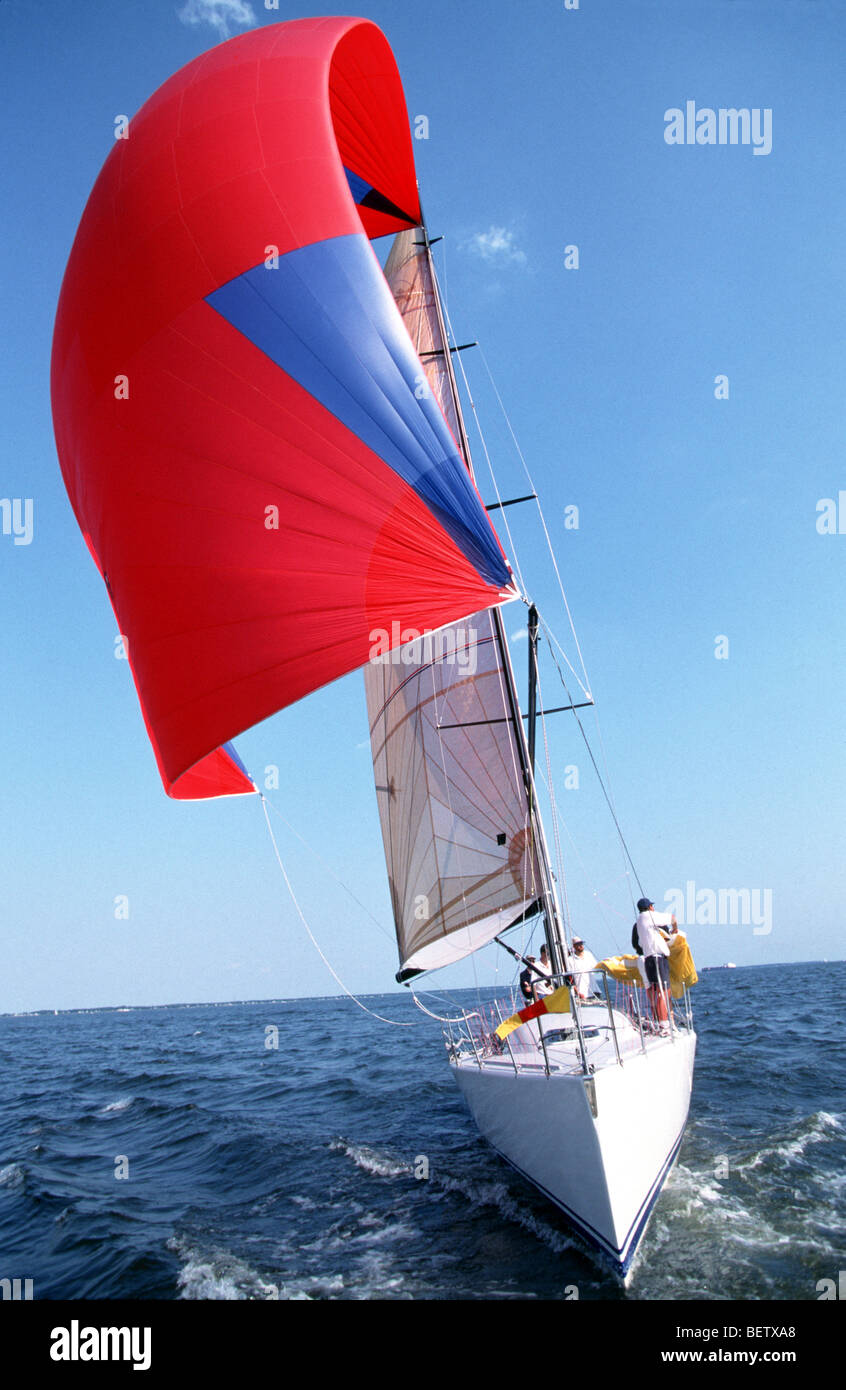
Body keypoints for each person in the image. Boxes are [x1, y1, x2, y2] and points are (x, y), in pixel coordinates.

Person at [633, 897, 675, 1029]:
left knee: (657, 991)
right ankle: (664, 1024)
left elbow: (638, 943)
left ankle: (660, 1021)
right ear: (650, 907)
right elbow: (673, 918)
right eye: (652, 906)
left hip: (648, 960)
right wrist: (675, 929)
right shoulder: (650, 916)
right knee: (663, 992)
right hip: (658, 958)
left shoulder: (638, 922)